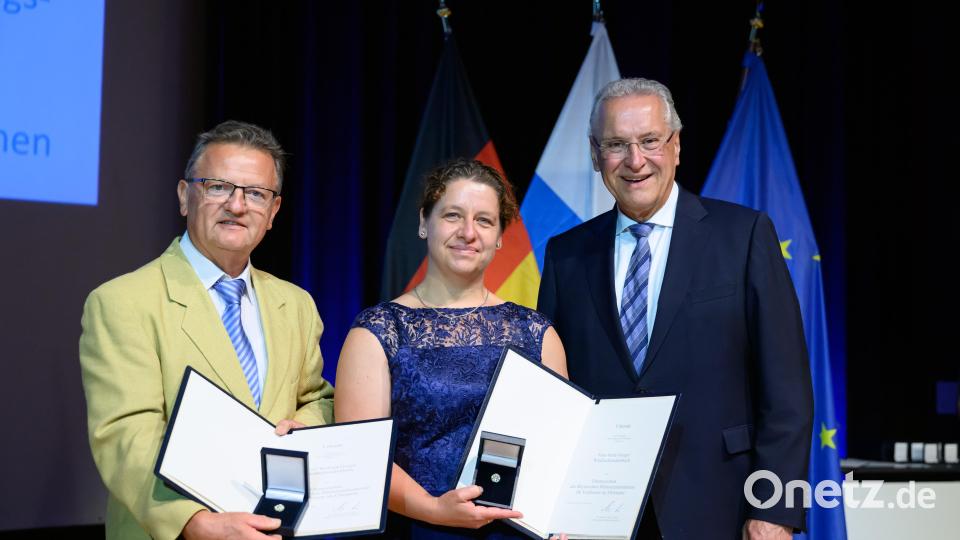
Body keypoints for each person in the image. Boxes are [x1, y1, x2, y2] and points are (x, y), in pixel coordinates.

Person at [537, 78, 814, 539]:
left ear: (676, 145)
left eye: (649, 141)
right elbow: (554, 394)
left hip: (721, 508)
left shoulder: (743, 236)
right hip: (597, 516)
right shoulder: (566, 255)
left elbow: (786, 390)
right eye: (616, 144)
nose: (635, 160)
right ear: (594, 154)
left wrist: (777, 511)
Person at [79, 120, 334, 540]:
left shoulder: (296, 304)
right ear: (184, 196)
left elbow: (316, 398)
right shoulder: (122, 301)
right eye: (218, 187)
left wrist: (307, 428)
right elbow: (126, 438)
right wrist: (194, 523)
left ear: (273, 213)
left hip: (276, 528)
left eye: (256, 194)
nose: (237, 205)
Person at [335, 158, 568, 539]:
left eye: (484, 220)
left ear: (500, 237)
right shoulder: (377, 331)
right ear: (424, 222)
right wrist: (435, 510)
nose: (468, 232)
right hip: (417, 529)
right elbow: (361, 458)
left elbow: (560, 448)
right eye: (453, 216)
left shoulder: (538, 333)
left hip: (518, 532)